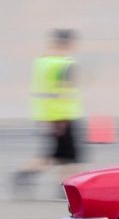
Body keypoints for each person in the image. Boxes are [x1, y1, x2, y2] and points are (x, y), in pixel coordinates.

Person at [13, 29, 84, 198]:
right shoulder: (64, 64)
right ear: (69, 43)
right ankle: (66, 188)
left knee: (59, 155)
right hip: (62, 117)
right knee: (67, 155)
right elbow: (63, 91)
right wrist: (61, 121)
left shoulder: (42, 63)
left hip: (47, 115)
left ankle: (58, 186)